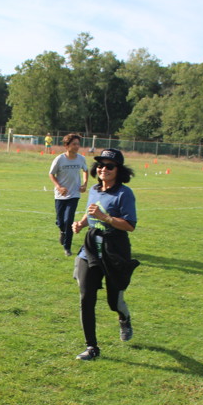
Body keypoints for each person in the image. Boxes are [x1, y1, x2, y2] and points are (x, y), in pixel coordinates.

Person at [71, 148, 139, 361]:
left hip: (114, 248)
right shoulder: (94, 189)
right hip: (91, 247)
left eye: (109, 166)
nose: (103, 169)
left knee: (113, 301)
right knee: (86, 296)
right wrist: (81, 223)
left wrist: (106, 218)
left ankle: (124, 317)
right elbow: (91, 210)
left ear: (119, 170)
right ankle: (91, 347)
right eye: (100, 165)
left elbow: (129, 225)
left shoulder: (124, 194)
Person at [48, 133, 88, 256]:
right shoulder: (59, 159)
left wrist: (85, 184)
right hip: (60, 195)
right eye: (74, 144)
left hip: (74, 194)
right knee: (61, 221)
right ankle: (62, 231)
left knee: (69, 220)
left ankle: (67, 248)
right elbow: (51, 174)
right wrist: (59, 187)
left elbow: (85, 170)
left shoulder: (81, 159)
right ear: (66, 145)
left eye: (78, 144)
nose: (77, 146)